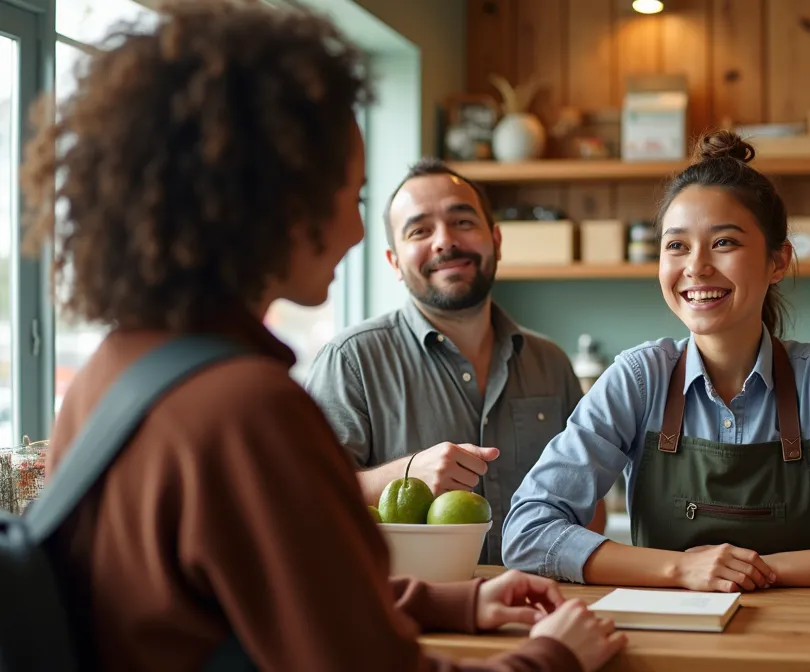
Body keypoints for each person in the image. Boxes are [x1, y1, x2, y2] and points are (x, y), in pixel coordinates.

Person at [24, 2, 623, 670]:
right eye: (350, 194)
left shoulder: (116, 372)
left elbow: (258, 587)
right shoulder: (245, 408)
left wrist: (452, 604)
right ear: (278, 199)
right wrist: (553, 657)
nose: (359, 234)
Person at [502, 131, 810, 592]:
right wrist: (679, 570)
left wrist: (757, 573)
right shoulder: (639, 379)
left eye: (723, 243)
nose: (696, 267)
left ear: (778, 261)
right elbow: (528, 532)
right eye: (676, 245)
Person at [303, 158, 606, 566]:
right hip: (418, 617)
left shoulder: (550, 362)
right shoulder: (351, 361)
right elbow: (306, 501)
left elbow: (590, 504)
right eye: (419, 230)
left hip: (540, 608)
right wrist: (406, 473)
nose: (444, 241)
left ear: (496, 240)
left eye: (462, 222)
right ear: (394, 262)